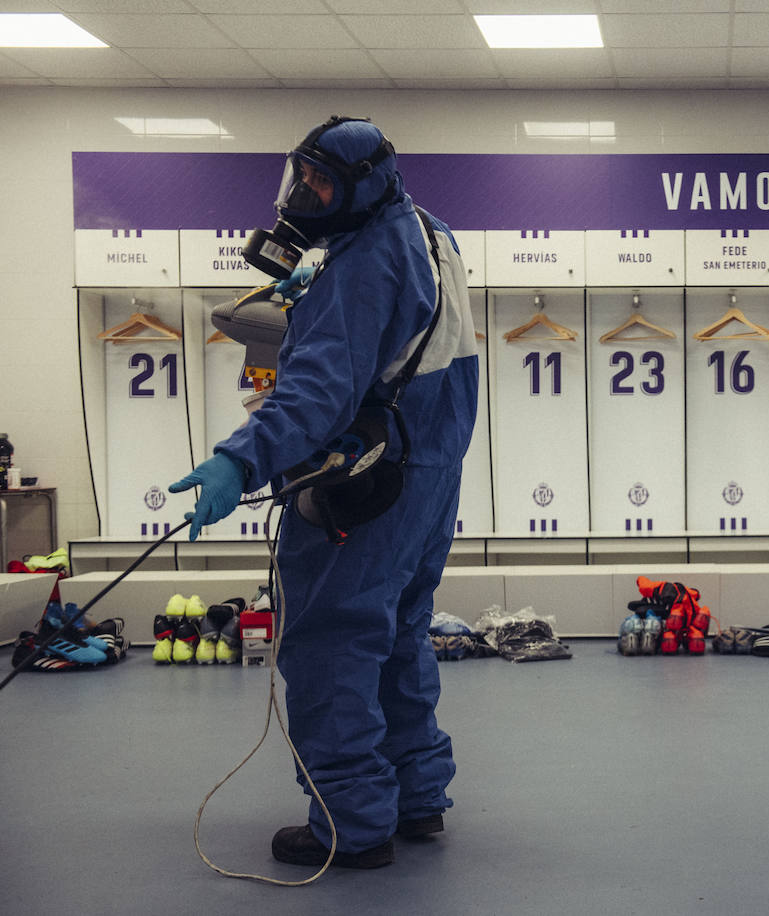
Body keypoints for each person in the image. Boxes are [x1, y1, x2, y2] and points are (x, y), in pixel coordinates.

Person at [169, 116, 479, 869]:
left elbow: (315, 395)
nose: (305, 193)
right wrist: (320, 285)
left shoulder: (365, 263)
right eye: (300, 177)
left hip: (370, 481)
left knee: (331, 647)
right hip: (430, 472)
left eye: (321, 182)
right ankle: (415, 797)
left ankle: (350, 821)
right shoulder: (429, 232)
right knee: (398, 635)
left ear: (362, 187)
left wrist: (238, 462)